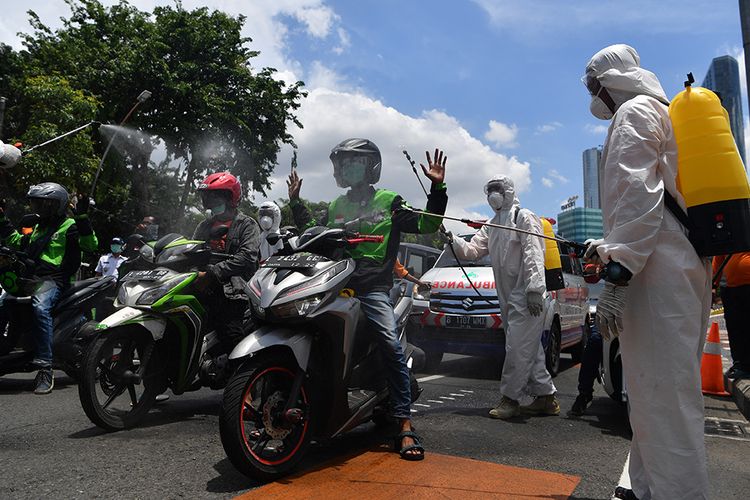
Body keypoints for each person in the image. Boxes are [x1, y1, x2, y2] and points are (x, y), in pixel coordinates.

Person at [582, 44, 712, 500]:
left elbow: (635, 196)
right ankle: (644, 487)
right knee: (660, 392)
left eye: (594, 87)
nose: (593, 98)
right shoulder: (664, 109)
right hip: (683, 263)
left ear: (609, 82)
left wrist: (619, 269)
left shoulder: (633, 113)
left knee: (663, 398)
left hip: (654, 268)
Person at [287, 138, 448, 461]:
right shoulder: (336, 206)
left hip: (373, 287)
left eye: (354, 162)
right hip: (336, 282)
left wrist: (438, 190)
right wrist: (295, 203)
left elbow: (427, 224)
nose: (347, 168)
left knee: (389, 343)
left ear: (371, 167)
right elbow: (315, 235)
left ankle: (403, 423)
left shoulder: (390, 201)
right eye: (343, 163)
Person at [450, 174, 559, 420]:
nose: (492, 195)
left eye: (496, 189)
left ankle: (510, 399)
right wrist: (451, 238)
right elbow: (472, 251)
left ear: (508, 191)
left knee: (517, 348)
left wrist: (534, 289)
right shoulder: (492, 224)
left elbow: (534, 253)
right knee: (528, 349)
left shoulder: (524, 217)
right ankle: (546, 398)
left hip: (528, 296)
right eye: (488, 191)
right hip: (508, 298)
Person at [0, 183, 98, 394]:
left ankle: (45, 367)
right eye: (37, 204)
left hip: (54, 280)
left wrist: (82, 218)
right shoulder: (37, 227)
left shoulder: (69, 225)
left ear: (58, 205)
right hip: (31, 279)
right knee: (3, 302)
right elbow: (17, 242)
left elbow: (90, 246)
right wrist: (2, 219)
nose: (40, 209)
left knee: (39, 308)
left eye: (45, 204)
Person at [193, 171, 260, 352]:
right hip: (202, 285)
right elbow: (191, 251)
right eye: (209, 196)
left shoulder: (247, 225)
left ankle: (238, 376)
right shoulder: (204, 226)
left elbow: (247, 257)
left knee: (231, 337)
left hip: (232, 291)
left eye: (216, 196)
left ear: (230, 197)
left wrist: (213, 272)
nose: (210, 201)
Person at [713, 253, 750, 379]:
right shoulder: (731, 233)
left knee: (742, 325)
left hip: (741, 283)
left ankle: (744, 365)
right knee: (735, 326)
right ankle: (740, 364)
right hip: (731, 286)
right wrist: (714, 284)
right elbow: (719, 256)